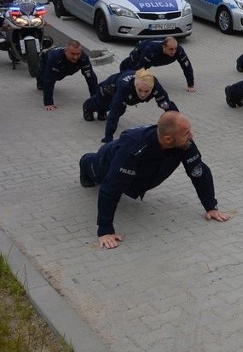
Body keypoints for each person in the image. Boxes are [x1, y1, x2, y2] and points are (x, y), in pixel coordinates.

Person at [78, 111, 230, 249]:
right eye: (186, 132)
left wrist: (211, 206)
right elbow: (110, 189)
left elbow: (199, 172)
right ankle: (84, 162)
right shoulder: (134, 148)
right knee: (100, 173)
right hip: (106, 161)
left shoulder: (184, 142)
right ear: (168, 139)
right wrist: (105, 230)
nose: (191, 135)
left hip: (137, 171)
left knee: (126, 181)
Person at [83, 68, 178, 143]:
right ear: (135, 85)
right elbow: (114, 112)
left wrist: (178, 126)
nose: (143, 95)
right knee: (103, 103)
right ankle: (87, 108)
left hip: (127, 93)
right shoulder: (125, 87)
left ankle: (102, 111)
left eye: (147, 91)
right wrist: (108, 137)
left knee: (108, 108)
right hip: (110, 87)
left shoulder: (155, 86)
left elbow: (167, 106)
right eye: (140, 90)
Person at [36, 39, 99, 110]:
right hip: (47, 61)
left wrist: (95, 100)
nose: (75, 57)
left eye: (78, 54)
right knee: (43, 81)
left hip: (66, 69)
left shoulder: (83, 58)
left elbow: (91, 78)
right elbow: (49, 80)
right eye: (73, 54)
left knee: (90, 76)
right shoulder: (55, 58)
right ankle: (39, 82)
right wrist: (48, 103)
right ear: (66, 52)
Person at [118, 37, 195, 92]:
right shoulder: (151, 50)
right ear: (163, 47)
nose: (174, 51)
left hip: (155, 60)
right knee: (126, 68)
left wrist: (190, 85)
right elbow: (141, 68)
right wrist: (139, 86)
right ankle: (120, 81)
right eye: (171, 49)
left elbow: (187, 66)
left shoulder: (179, 51)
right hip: (140, 52)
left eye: (175, 48)